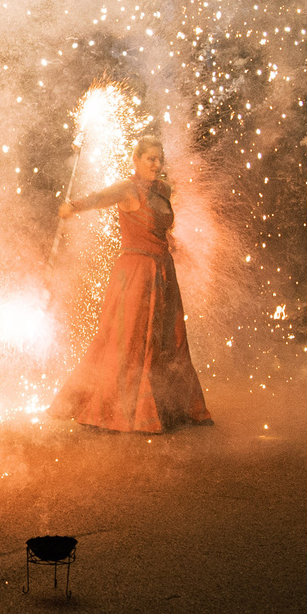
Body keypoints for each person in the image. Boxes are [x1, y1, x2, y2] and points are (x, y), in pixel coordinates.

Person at [49, 134, 213, 433]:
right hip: (135, 274)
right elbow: (100, 198)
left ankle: (168, 406)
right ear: (136, 160)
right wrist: (73, 206)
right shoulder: (127, 188)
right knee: (129, 339)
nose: (156, 164)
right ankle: (115, 408)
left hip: (163, 273)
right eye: (150, 158)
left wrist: (176, 247)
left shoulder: (164, 189)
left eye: (159, 159)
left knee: (168, 341)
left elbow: (162, 228)